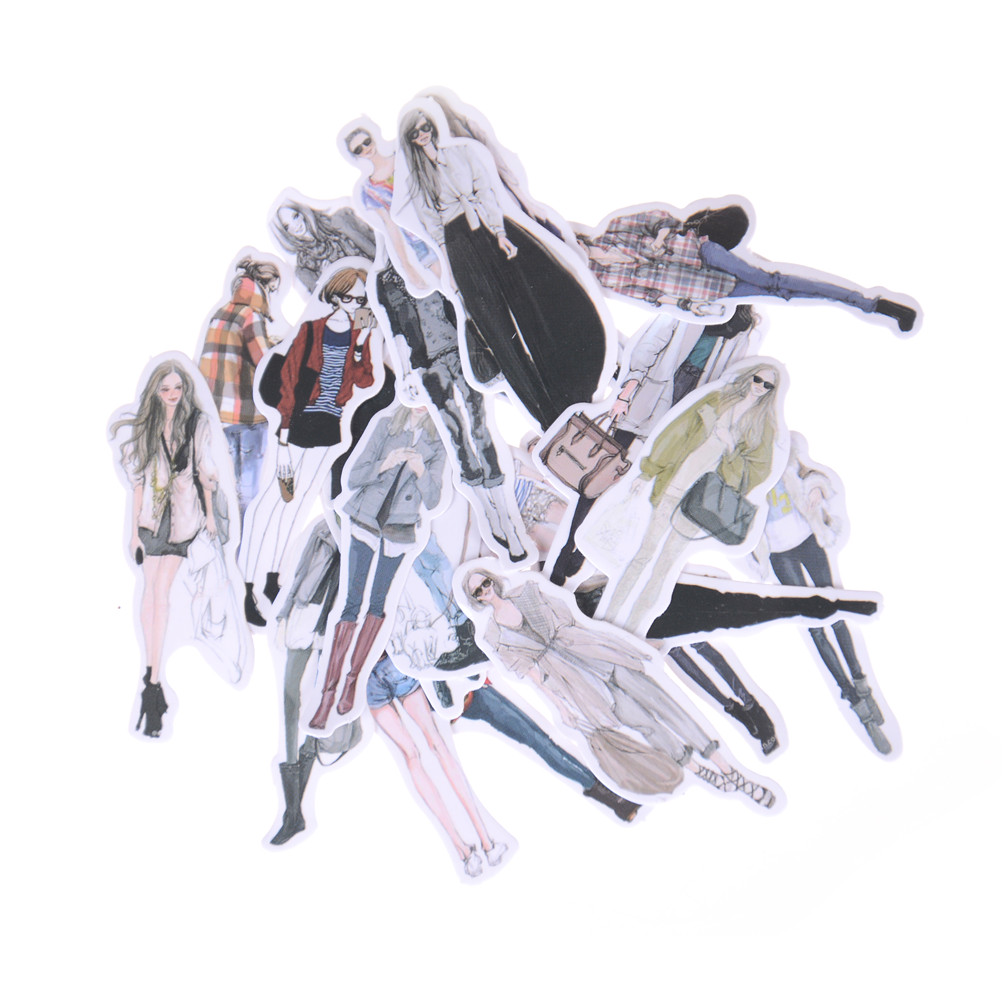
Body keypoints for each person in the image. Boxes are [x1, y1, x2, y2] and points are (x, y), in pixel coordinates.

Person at [464, 570, 776, 807]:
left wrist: (624, 645)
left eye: (485, 583)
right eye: (478, 591)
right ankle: (698, 769)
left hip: (593, 650)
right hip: (573, 682)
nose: (484, 591)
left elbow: (578, 622)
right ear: (476, 599)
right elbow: (531, 673)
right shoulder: (494, 636)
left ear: (493, 580)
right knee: (644, 724)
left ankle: (729, 769)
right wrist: (561, 706)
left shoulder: (530, 590)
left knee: (665, 705)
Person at [397, 107, 611, 429]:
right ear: (410, 140)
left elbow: (485, 191)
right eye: (415, 133)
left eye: (425, 126)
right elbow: (434, 228)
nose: (423, 134)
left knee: (531, 304)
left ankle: (570, 387)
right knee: (497, 328)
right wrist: (450, 271)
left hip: (490, 228)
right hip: (459, 245)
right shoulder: (417, 181)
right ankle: (544, 413)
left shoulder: (462, 152)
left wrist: (499, 233)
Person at [600, 362, 784, 634]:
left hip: (703, 502)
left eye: (768, 385)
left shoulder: (763, 427)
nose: (760, 387)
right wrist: (648, 471)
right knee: (643, 554)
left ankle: (633, 628)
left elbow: (756, 474)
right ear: (750, 377)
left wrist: (731, 447)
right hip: (675, 484)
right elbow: (675, 434)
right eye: (758, 379)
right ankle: (608, 617)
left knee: (665, 567)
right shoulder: (717, 399)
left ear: (772, 391)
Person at [240, 265, 378, 624]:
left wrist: (361, 344)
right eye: (349, 297)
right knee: (272, 502)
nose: (355, 304)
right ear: (335, 296)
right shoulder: (311, 330)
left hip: (329, 426)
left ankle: (272, 579)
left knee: (296, 504)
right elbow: (289, 382)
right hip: (297, 423)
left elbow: (365, 380)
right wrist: (284, 434)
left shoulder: (357, 335)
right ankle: (246, 583)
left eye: (361, 300)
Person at [309, 405, 446, 725]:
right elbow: (354, 477)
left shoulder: (437, 442)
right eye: (412, 392)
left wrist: (420, 471)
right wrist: (387, 462)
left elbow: (434, 499)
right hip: (365, 518)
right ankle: (327, 694)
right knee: (351, 602)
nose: (419, 402)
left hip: (399, 528)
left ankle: (352, 682)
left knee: (378, 604)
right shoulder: (386, 425)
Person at [755, 435, 892, 754]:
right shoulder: (743, 461)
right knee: (815, 628)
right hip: (778, 552)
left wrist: (816, 488)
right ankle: (858, 706)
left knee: (836, 614)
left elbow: (811, 473)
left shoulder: (781, 444)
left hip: (807, 538)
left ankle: (863, 687)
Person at [578, 207, 918, 333]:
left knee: (773, 281)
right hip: (709, 289)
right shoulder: (605, 279)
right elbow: (651, 296)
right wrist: (686, 306)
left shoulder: (615, 230)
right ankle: (875, 307)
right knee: (781, 294)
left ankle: (868, 303)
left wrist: (661, 238)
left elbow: (660, 219)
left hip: (705, 253)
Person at [111, 360, 220, 737]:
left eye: (177, 388)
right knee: (150, 592)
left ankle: (154, 680)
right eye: (166, 389)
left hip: (183, 517)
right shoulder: (149, 428)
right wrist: (133, 533)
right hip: (151, 519)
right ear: (156, 393)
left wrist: (210, 515)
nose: (173, 394)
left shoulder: (197, 423)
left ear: (184, 390)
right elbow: (138, 481)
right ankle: (152, 676)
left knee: (161, 592)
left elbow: (205, 471)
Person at [198, 256, 281, 519]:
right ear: (263, 286)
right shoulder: (251, 316)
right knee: (248, 490)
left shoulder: (220, 314)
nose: (272, 296)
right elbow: (265, 363)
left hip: (219, 414)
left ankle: (229, 535)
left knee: (226, 485)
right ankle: (244, 540)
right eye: (272, 289)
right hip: (248, 415)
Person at [270, 198, 375, 293]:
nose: (295, 225)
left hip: (376, 273)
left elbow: (372, 246)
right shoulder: (303, 268)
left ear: (302, 214)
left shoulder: (336, 222)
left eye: (295, 216)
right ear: (286, 233)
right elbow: (322, 300)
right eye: (287, 226)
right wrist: (325, 278)